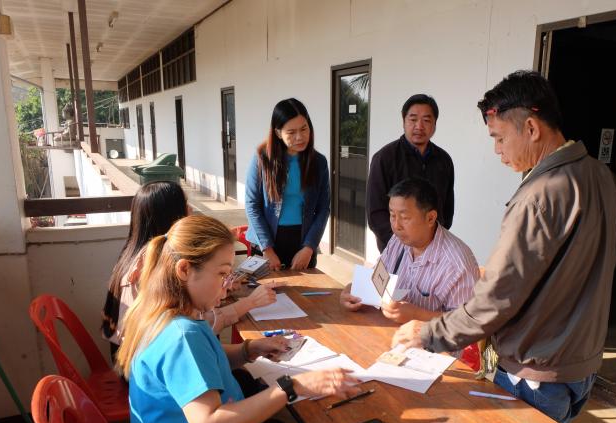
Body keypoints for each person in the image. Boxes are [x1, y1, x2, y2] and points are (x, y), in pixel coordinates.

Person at [392, 71, 616, 423]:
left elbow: (497, 298)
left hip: (534, 372)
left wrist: (428, 333)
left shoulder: (537, 196)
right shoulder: (600, 175)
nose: (497, 150)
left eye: (499, 138)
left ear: (531, 128)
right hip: (581, 363)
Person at [116, 215, 360, 423]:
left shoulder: (165, 314)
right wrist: (291, 387)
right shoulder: (182, 335)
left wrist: (248, 350)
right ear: (184, 269)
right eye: (221, 274)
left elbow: (205, 360)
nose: (227, 284)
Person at [102, 181, 276, 356]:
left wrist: (219, 286)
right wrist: (250, 302)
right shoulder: (151, 267)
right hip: (141, 363)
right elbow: (198, 328)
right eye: (185, 205)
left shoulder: (137, 254)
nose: (191, 209)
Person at [341, 178, 478, 323]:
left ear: (430, 218)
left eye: (404, 217)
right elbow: (376, 281)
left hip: (429, 337)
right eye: (392, 215)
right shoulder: (398, 241)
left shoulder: (456, 264)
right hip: (387, 329)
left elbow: (470, 322)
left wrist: (417, 315)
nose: (396, 225)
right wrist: (353, 290)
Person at [245, 98, 330, 270]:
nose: (300, 137)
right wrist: (267, 249)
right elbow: (252, 205)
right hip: (266, 241)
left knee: (305, 288)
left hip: (302, 243)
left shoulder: (319, 162)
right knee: (266, 288)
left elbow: (323, 209)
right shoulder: (262, 159)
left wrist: (309, 248)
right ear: (278, 133)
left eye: (304, 129)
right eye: (291, 132)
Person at [366, 94, 455, 252]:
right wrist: (405, 246)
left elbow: (446, 208)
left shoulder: (444, 160)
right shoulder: (384, 158)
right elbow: (375, 213)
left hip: (434, 251)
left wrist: (433, 242)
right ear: (404, 121)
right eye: (413, 119)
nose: (419, 126)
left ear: (435, 124)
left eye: (426, 120)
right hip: (395, 250)